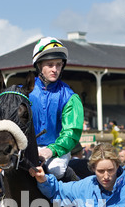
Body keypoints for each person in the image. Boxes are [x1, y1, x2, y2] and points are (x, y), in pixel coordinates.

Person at [30, 37, 84, 180]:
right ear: (39, 65)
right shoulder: (23, 92)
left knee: (55, 171)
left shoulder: (70, 97)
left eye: (58, 65)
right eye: (50, 64)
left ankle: (70, 201)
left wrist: (51, 150)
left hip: (57, 151)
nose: (55, 69)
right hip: (27, 148)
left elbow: (71, 132)